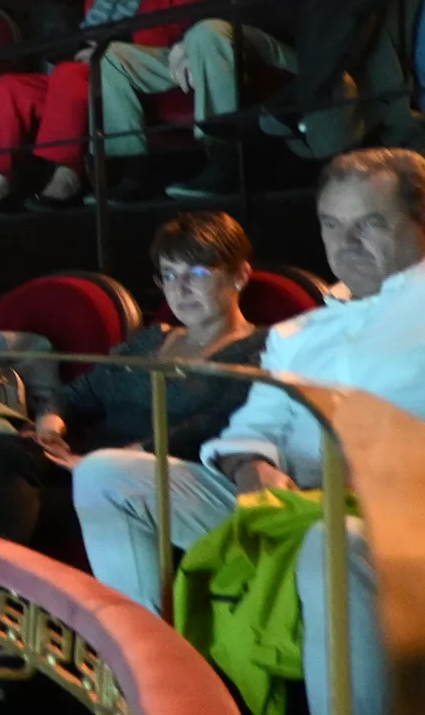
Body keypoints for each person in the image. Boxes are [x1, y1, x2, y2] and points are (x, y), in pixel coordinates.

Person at [74, 148, 425, 715]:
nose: (346, 242)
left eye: (371, 224)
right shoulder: (301, 330)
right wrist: (252, 468)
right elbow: (251, 428)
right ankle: (158, 685)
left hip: (395, 507)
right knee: (107, 475)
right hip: (285, 499)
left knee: (334, 540)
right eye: (332, 225)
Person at [0, 212, 266, 556]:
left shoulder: (262, 346)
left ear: (240, 275)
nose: (180, 289)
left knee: (24, 506)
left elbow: (215, 424)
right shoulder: (150, 341)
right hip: (87, 467)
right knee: (7, 449)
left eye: (197, 273)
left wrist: (113, 461)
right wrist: (49, 431)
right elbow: (77, 394)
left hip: (159, 483)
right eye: (169, 274)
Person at [96, 0, 394, 200]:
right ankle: (134, 168)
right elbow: (205, 11)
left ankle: (225, 161)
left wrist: (203, 33)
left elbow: (306, 18)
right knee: (113, 57)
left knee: (209, 31)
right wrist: (184, 45)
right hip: (219, 45)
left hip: (290, 53)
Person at [0, 0, 209, 212]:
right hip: (87, 77)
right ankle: (0, 178)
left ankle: (69, 173)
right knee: (10, 86)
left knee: (71, 73)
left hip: (147, 70)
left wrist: (106, 48)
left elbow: (193, 23)